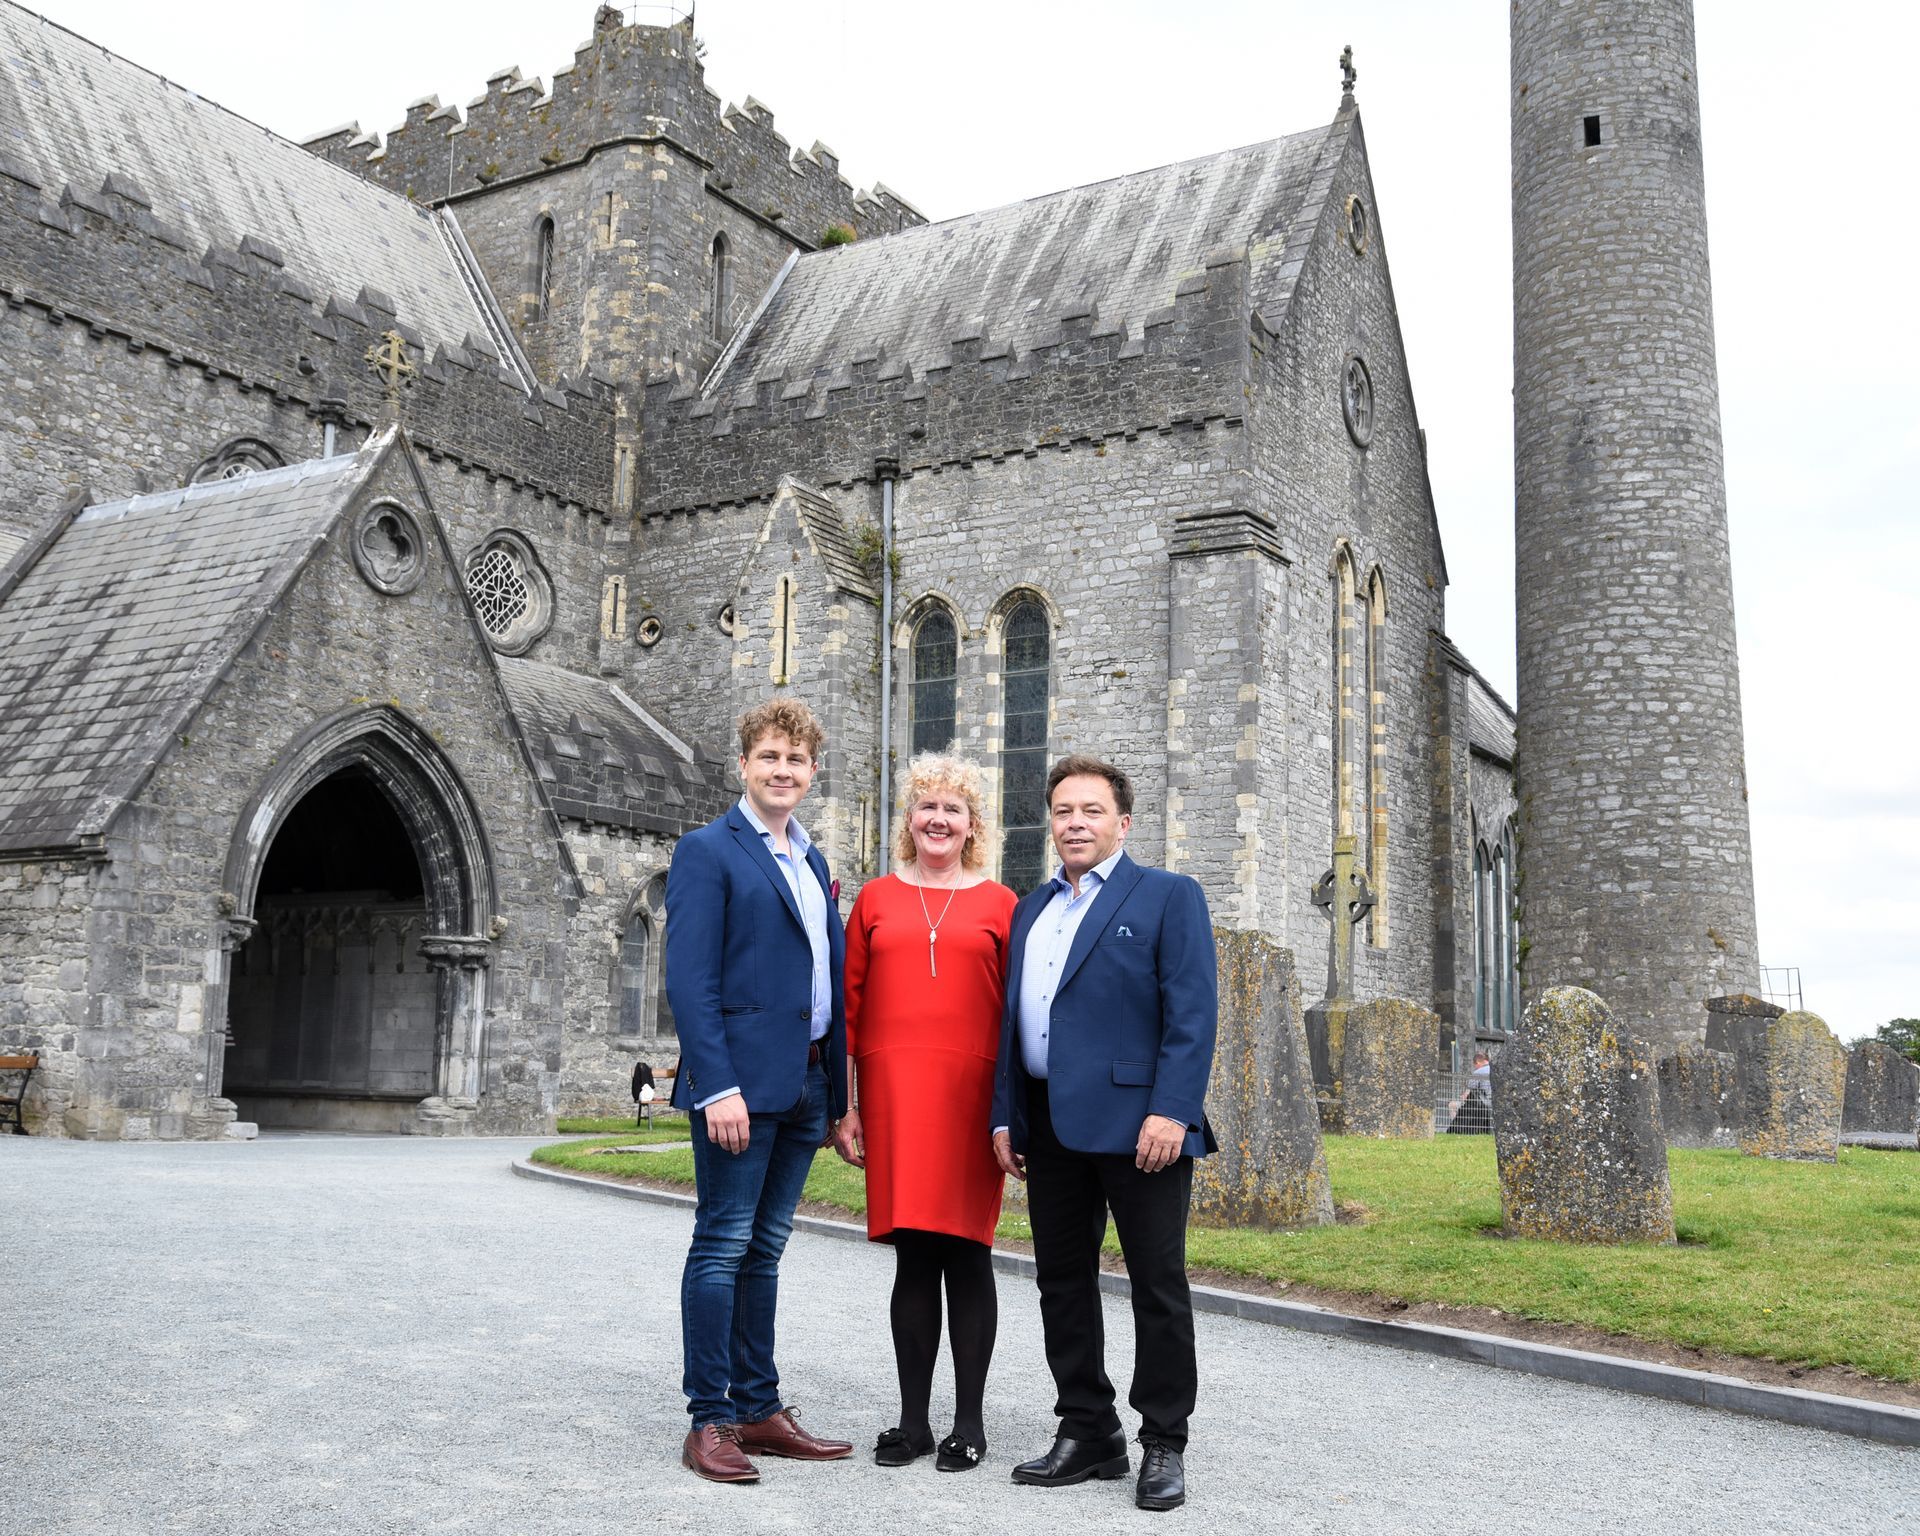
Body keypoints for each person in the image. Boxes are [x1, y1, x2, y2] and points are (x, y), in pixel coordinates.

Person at [991, 754, 1217, 1513]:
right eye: (1062, 811)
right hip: (1049, 1125)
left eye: (1090, 810)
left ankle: (1163, 1442)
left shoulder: (1167, 897)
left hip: (1140, 1126)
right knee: (1062, 1282)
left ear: (1123, 822)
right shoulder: (1031, 910)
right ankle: (1088, 1430)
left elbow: (1192, 1014)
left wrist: (1172, 1110)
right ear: (1049, 822)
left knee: (1157, 1286)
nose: (1075, 823)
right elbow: (1015, 1022)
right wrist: (1006, 1115)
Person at [665, 697, 855, 1483]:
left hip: (807, 1081)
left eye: (797, 759)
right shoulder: (708, 851)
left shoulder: (813, 862)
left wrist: (838, 1097)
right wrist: (717, 1086)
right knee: (721, 1244)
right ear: (743, 765)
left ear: (812, 771)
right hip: (739, 1087)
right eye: (770, 757)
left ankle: (758, 1406)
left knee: (767, 1249)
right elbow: (689, 981)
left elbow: (829, 985)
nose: (784, 770)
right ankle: (709, 1418)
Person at [833, 754, 1017, 1473]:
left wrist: (1013, 1114)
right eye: (926, 807)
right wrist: (846, 1106)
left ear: (973, 826)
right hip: (893, 1096)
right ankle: (912, 1422)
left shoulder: (1003, 904)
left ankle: (967, 1423)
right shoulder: (875, 899)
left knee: (968, 1252)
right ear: (909, 819)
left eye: (954, 809)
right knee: (913, 1254)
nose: (939, 819)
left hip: (972, 1099)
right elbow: (847, 1012)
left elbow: (1017, 1017)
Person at [1446, 1050, 1493, 1135]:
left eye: (1475, 1065)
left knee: (1452, 1105)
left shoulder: (1478, 1072)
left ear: (1478, 1062)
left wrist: (1463, 1096)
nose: (1475, 1067)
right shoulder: (1496, 1070)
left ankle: (1456, 1129)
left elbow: (1468, 1093)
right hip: (1493, 1103)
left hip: (1480, 1106)